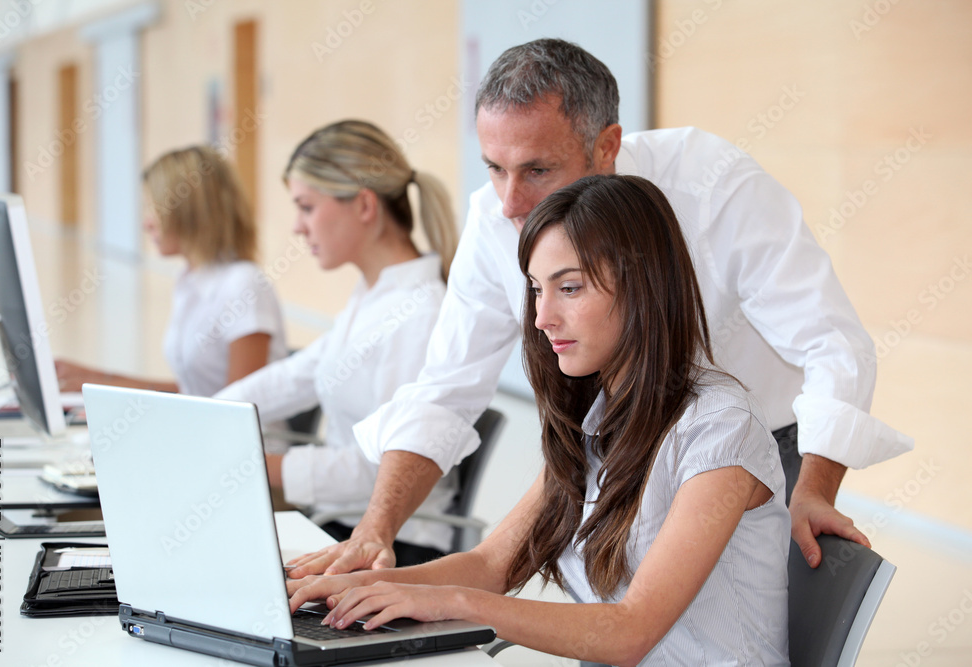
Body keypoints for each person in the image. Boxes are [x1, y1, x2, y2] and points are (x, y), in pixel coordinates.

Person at [286, 38, 912, 578]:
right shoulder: (494, 217)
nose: (510, 203)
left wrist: (815, 489)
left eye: (536, 169)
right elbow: (445, 389)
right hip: (620, 442)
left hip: (761, 448)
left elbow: (832, 344)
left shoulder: (713, 182)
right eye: (494, 168)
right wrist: (374, 531)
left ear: (606, 146)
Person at [288, 175, 791, 666]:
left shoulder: (722, 429)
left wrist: (454, 605)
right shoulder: (596, 419)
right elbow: (489, 566)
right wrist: (352, 587)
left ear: (644, 286)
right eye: (535, 290)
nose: (541, 317)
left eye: (568, 288)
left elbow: (629, 632)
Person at [214, 120, 460, 565]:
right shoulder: (374, 295)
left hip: (396, 546)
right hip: (344, 523)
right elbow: (297, 376)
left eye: (306, 207)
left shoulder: (419, 314)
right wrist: (208, 418)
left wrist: (250, 463)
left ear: (364, 205)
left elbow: (382, 471)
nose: (297, 226)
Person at [56, 145, 286, 397]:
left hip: (242, 434)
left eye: (153, 208)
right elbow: (194, 392)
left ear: (188, 210)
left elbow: (240, 411)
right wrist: (93, 379)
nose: (146, 223)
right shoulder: (189, 278)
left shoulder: (243, 284)